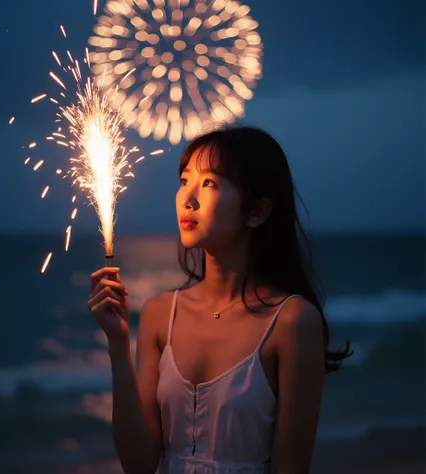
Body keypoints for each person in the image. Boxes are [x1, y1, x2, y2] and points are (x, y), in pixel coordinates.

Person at [87, 125, 352, 474]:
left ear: (257, 212)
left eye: (209, 183)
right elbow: (139, 464)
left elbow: (290, 467)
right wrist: (118, 346)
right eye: (184, 181)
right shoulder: (159, 314)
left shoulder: (292, 322)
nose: (187, 197)